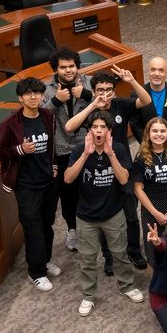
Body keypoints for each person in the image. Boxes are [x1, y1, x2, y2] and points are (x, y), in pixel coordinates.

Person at [65, 68, 152, 272]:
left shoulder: (121, 104)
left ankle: (133, 250)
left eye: (109, 89)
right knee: (104, 216)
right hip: (97, 171)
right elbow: (69, 127)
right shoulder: (90, 108)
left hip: (121, 165)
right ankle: (109, 257)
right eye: (100, 90)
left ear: (114, 91)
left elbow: (146, 100)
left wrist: (131, 80)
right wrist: (94, 105)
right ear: (93, 91)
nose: (105, 93)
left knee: (130, 213)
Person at [64, 111, 144, 316]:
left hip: (113, 213)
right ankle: (89, 296)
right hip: (86, 217)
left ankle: (127, 286)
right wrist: (85, 154)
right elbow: (68, 178)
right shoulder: (80, 149)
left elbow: (124, 179)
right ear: (89, 131)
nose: (98, 131)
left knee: (120, 253)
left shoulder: (117, 149)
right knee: (87, 259)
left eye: (103, 128)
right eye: (95, 127)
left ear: (109, 131)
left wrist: (110, 154)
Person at [0, 77, 60, 292]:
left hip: (48, 181)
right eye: (28, 94)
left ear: (42, 95)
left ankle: (45, 261)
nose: (33, 96)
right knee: (33, 228)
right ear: (20, 98)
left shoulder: (48, 116)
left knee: (47, 224)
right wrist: (20, 150)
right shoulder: (10, 124)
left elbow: (52, 144)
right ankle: (36, 272)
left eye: (37, 93)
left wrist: (54, 164)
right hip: (26, 185)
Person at [41, 47, 93, 252]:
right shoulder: (47, 90)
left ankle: (92, 225)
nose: (68, 70)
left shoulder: (89, 82)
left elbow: (105, 104)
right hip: (62, 149)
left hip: (88, 144)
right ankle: (72, 228)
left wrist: (87, 95)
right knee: (68, 193)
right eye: (63, 67)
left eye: (71, 66)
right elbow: (39, 116)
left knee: (91, 186)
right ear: (56, 69)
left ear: (77, 66)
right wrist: (55, 101)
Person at [132, 117, 167, 266]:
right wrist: (155, 213)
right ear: (148, 134)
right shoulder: (141, 158)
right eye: (155, 131)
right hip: (152, 207)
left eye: (163, 131)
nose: (159, 134)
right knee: (153, 245)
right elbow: (138, 190)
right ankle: (158, 282)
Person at [129, 56, 167, 143]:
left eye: (161, 70)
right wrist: (147, 144)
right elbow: (135, 125)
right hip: (147, 144)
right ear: (148, 72)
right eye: (153, 69)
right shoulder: (136, 94)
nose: (157, 74)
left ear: (166, 73)